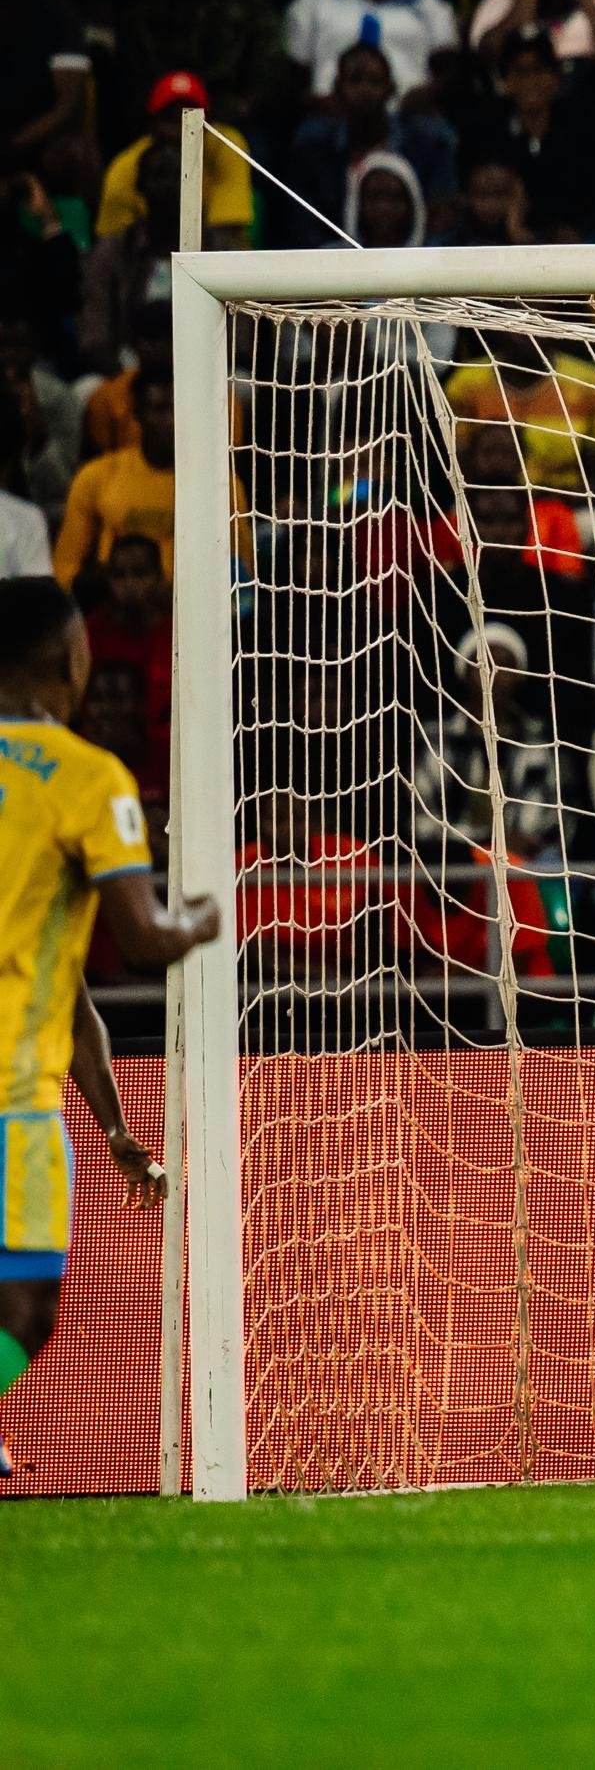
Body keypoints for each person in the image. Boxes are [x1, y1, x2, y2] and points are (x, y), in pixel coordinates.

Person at [0, 576, 225, 1476]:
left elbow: (74, 988)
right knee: (26, 1311)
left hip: (35, 1068)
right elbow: (139, 940)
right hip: (13, 1097)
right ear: (75, 659)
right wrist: (206, 918)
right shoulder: (92, 777)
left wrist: (118, 1129)